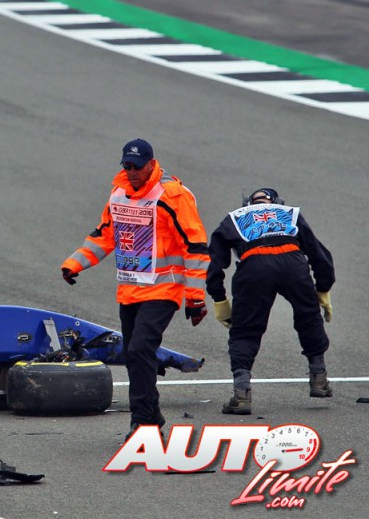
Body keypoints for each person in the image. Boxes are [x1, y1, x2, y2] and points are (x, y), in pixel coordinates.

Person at [60, 138, 210, 434]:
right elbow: (105, 234)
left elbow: (195, 246)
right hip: (130, 290)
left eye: (138, 167)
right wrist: (75, 263)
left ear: (152, 164)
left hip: (164, 288)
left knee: (141, 349)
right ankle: (152, 415)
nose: (132, 172)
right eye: (127, 166)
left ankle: (141, 421)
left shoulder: (172, 195)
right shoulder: (119, 193)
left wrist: (195, 297)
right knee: (133, 353)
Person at [206, 188, 335, 415]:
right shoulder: (289, 213)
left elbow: (215, 263)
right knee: (309, 316)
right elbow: (318, 254)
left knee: (245, 330)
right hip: (293, 263)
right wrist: (323, 287)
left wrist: (219, 299)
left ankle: (242, 393)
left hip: (254, 265)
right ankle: (318, 377)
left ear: (248, 203)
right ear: (276, 202)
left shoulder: (234, 218)